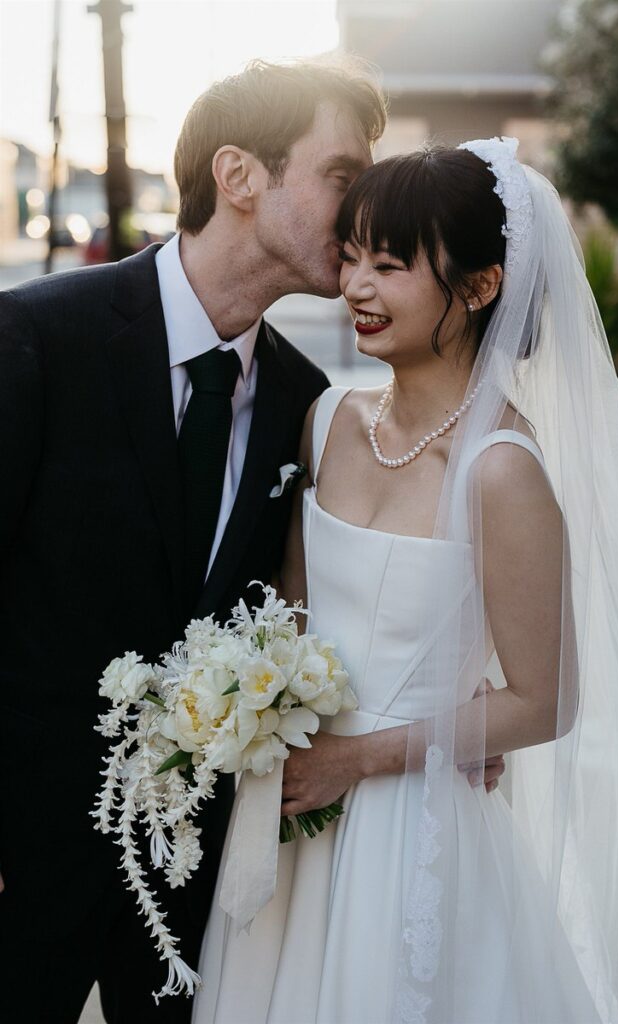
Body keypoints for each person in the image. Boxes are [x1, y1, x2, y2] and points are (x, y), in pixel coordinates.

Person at [193, 140, 618, 1023]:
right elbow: (290, 618)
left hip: (409, 832)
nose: (354, 288)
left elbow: (544, 700)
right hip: (295, 817)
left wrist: (358, 759)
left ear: (481, 284)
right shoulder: (326, 420)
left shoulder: (501, 470)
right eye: (350, 258)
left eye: (388, 265)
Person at [0, 58, 393, 1024]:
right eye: (343, 177)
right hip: (22, 860)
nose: (363, 210)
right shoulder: (38, 337)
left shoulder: (307, 405)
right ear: (239, 176)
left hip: (197, 888)